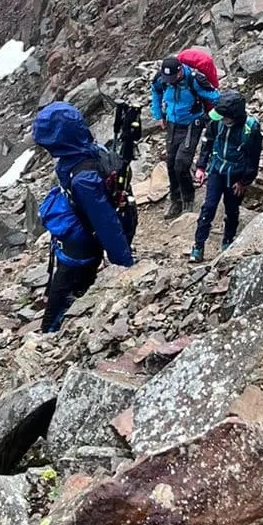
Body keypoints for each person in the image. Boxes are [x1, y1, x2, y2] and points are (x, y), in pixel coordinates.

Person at [32, 102, 136, 332]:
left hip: (80, 252)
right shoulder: (92, 151)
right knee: (72, 289)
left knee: (63, 296)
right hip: (82, 238)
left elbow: (106, 222)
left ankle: (49, 336)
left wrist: (125, 264)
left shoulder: (83, 180)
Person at [191, 91, 263, 261]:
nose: (220, 118)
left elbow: (254, 158)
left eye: (224, 116)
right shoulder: (217, 122)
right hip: (217, 169)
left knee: (232, 210)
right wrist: (201, 166)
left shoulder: (250, 129)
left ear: (234, 116)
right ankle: (198, 245)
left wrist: (244, 181)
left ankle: (228, 241)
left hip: (236, 176)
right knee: (208, 207)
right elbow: (207, 142)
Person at [150, 53, 216, 220]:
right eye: (167, 78)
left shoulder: (194, 79)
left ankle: (188, 199)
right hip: (172, 124)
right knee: (171, 163)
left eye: (172, 77)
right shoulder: (162, 80)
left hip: (191, 124)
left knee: (182, 163)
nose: (169, 80)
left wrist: (214, 116)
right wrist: (158, 115)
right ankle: (175, 200)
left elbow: (214, 96)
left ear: (179, 71)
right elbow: (156, 93)